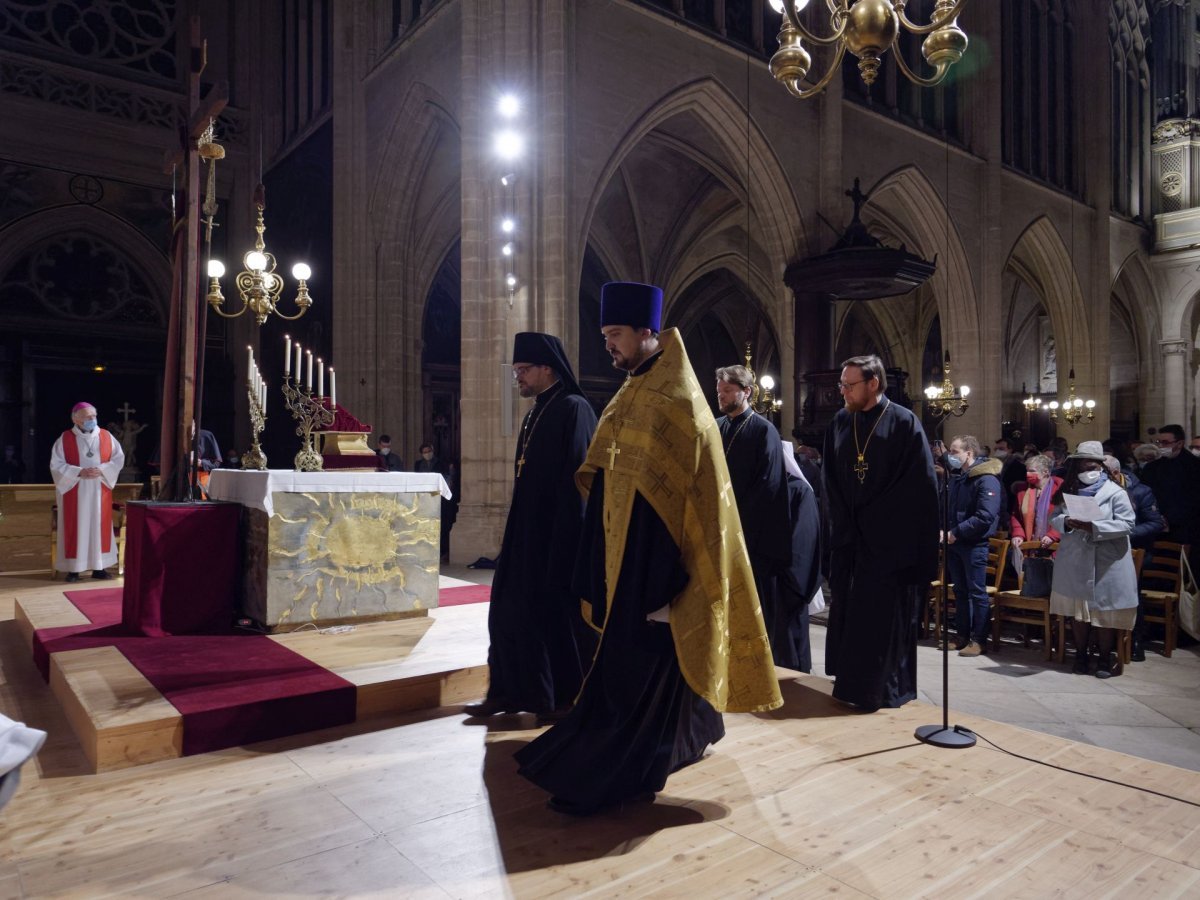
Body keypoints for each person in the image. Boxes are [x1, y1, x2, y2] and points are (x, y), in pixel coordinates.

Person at [515, 281, 782, 815]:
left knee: (643, 668)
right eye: (605, 335)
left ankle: (624, 771)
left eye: (615, 335)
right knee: (639, 671)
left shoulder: (678, 398)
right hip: (625, 556)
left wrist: (663, 580)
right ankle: (684, 736)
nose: (608, 345)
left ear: (646, 333)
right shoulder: (634, 388)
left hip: (658, 566)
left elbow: (689, 494)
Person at [464, 332, 598, 721]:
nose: (518, 378)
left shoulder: (574, 408)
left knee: (553, 619)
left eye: (524, 371)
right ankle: (507, 691)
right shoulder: (534, 412)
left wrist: (566, 542)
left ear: (547, 368)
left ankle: (558, 698)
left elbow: (577, 482)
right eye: (517, 371)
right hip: (524, 532)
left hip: (557, 535)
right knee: (506, 611)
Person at [822, 354, 939, 710]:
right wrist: (845, 521)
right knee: (852, 617)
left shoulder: (904, 424)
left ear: (873, 384)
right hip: (852, 541)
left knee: (882, 621)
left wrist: (874, 521)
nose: (842, 391)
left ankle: (885, 690)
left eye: (849, 385)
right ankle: (850, 688)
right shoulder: (841, 422)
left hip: (890, 545)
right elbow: (830, 478)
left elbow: (918, 487)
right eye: (841, 384)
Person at [1049, 441, 1138, 679]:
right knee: (1079, 612)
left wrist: (1094, 526)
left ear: (1101, 467)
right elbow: (1055, 517)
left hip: (1107, 560)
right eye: (1085, 465)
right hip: (1077, 558)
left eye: (1094, 465)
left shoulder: (1115, 492)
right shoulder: (1069, 490)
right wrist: (1066, 522)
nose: (1090, 469)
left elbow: (1128, 524)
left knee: (1103, 613)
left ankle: (1104, 656)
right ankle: (1080, 654)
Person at [714, 364, 790, 622]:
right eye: (718, 390)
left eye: (727, 390)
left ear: (746, 392)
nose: (720, 395)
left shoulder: (763, 430)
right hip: (719, 531)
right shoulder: (716, 426)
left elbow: (767, 485)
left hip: (751, 535)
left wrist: (735, 520)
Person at [49, 402, 125, 583]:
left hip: (100, 490)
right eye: (87, 417)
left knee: (99, 526)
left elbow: (118, 459)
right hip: (75, 490)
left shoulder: (106, 436)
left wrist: (103, 469)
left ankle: (99, 568)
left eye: (94, 416)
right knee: (76, 526)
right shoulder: (65, 438)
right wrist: (78, 471)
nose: (92, 420)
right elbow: (56, 465)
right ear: (76, 419)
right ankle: (73, 570)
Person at [943, 435, 1002, 657]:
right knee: (960, 592)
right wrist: (945, 529)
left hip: (974, 544)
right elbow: (950, 509)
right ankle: (962, 636)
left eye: (955, 451)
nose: (951, 456)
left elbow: (985, 515)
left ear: (969, 453)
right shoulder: (960, 477)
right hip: (955, 543)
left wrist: (956, 531)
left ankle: (979, 640)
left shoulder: (986, 478)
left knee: (977, 593)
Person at [1102, 454, 1164, 662]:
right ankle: (1103, 638)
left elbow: (1155, 523)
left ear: (1116, 473)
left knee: (1130, 593)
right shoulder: (1098, 490)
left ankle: (1135, 639)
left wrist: (1127, 532)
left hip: (1134, 550)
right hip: (1104, 549)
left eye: (1103, 473)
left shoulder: (1140, 491)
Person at [765, 443, 822, 672]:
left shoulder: (799, 490)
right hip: (767, 578)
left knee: (790, 649)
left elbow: (804, 539)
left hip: (788, 582)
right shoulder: (765, 490)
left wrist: (789, 578)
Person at [1139, 424, 1200, 550]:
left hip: (1187, 528)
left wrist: (1170, 518)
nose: (1161, 446)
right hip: (1157, 525)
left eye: (1165, 442)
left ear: (1180, 443)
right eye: (1159, 442)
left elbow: (1194, 499)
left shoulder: (1195, 466)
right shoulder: (1152, 467)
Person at [1009, 453, 1062, 573]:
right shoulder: (1023, 490)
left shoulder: (1060, 490)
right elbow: (1016, 516)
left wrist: (1053, 535)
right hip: (1030, 544)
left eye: (1032, 471)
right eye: (1027, 471)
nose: (1028, 474)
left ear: (1046, 472)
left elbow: (1065, 516)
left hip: (1055, 546)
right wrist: (1018, 534)